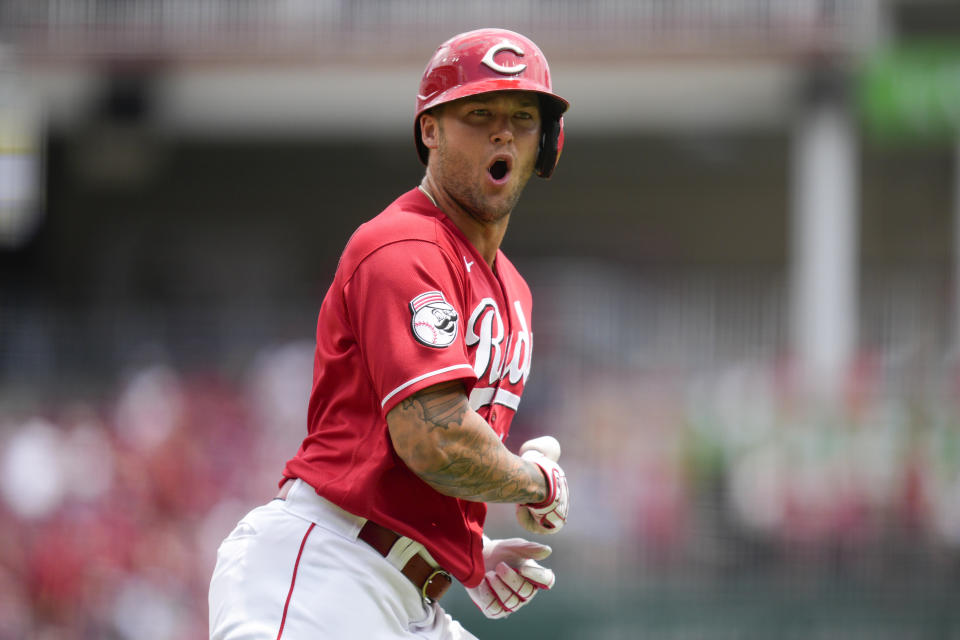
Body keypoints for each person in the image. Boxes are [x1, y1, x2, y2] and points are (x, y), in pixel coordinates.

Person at [208, 27, 570, 640]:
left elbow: (425, 471)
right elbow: (434, 442)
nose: (503, 131)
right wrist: (537, 483)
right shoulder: (404, 245)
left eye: (522, 117)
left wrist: (459, 552)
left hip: (402, 595)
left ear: (547, 142)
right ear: (430, 129)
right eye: (478, 113)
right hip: (325, 575)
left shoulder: (513, 290)